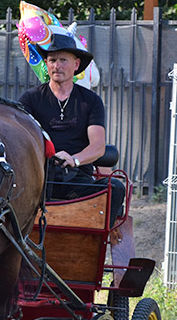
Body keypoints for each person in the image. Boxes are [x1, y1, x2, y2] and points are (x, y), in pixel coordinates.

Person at [18, 34, 125, 227]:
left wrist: (73, 160)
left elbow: (98, 146)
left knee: (116, 188)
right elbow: (20, 141)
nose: (56, 65)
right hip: (39, 180)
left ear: (76, 64)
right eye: (52, 60)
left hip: (77, 180)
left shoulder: (90, 101)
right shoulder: (30, 99)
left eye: (62, 60)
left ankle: (95, 243)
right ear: (46, 64)